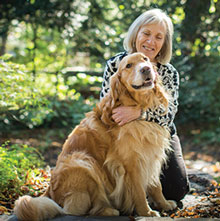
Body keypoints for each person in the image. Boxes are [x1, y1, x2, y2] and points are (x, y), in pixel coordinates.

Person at [100, 8, 190, 202]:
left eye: (159, 37)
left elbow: (169, 113)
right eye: (146, 34)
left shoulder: (169, 72)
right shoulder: (116, 64)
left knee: (177, 190)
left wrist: (139, 113)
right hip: (124, 132)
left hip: (161, 133)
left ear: (164, 43)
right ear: (136, 35)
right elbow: (106, 106)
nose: (151, 42)